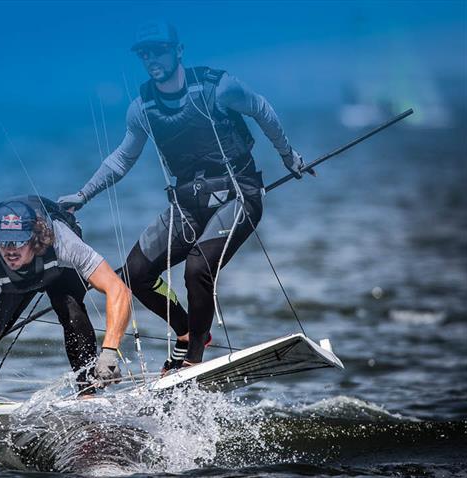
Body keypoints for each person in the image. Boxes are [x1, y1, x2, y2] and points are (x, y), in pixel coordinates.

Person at [58, 21, 314, 373]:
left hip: (239, 195)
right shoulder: (143, 107)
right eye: (145, 54)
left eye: (159, 50)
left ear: (178, 51)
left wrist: (289, 156)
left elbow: (262, 109)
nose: (152, 59)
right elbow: (122, 158)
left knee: (197, 268)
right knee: (134, 273)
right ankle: (186, 333)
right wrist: (84, 195)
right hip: (188, 205)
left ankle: (192, 359)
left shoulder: (220, 87)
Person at [0, 195, 132, 395]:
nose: (10, 250)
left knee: (72, 312)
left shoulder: (62, 242)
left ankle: (88, 392)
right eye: (3, 241)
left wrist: (109, 352)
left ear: (35, 238)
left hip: (58, 271)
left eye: (18, 241)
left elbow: (118, 290)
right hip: (14, 282)